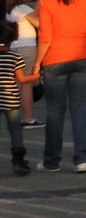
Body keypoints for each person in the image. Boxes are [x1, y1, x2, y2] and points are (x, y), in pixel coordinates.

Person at [32, 0, 86, 174]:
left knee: (55, 110)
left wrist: (37, 63)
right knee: (80, 108)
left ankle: (51, 160)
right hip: (83, 57)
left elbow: (45, 36)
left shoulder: (48, 2)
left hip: (54, 59)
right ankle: (82, 159)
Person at [3, 19, 38, 175]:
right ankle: (18, 160)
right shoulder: (15, 57)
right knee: (15, 128)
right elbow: (22, 79)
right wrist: (36, 76)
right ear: (13, 38)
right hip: (10, 99)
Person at [5, 0, 40, 128]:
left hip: (14, 46)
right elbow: (41, 24)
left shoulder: (10, 9)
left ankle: (14, 118)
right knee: (27, 84)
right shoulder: (24, 8)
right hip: (27, 48)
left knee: (17, 84)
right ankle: (28, 118)